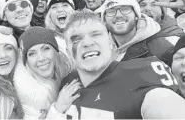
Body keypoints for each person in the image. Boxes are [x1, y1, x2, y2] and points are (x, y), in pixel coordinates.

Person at [47, 10, 185, 119]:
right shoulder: (67, 83)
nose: (87, 43)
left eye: (95, 34)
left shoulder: (139, 74)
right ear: (68, 51)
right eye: (76, 39)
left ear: (110, 41)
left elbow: (163, 104)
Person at [14, 26, 72, 119]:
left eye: (46, 49)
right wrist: (57, 110)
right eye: (32, 54)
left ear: (55, 51)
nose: (41, 58)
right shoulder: (28, 95)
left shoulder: (70, 72)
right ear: (27, 61)